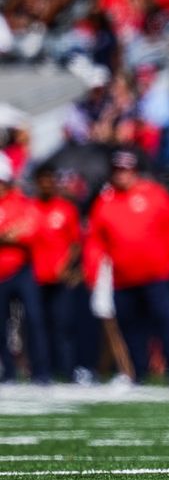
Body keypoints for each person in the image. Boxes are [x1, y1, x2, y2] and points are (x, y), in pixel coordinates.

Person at [83, 150, 169, 383]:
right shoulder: (105, 201)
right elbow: (96, 240)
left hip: (158, 274)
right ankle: (136, 373)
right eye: (117, 170)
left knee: (168, 323)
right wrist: (93, 272)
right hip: (123, 277)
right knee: (131, 328)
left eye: (126, 170)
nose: (122, 175)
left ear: (134, 171)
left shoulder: (154, 195)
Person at [31, 163, 82, 380]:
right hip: (34, 278)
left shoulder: (66, 208)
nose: (46, 184)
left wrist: (68, 265)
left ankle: (68, 370)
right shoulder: (29, 207)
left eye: (50, 179)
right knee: (37, 325)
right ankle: (42, 371)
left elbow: (76, 243)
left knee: (63, 324)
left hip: (59, 277)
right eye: (42, 180)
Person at [0, 153, 48, 383]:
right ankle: (7, 372)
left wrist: (8, 235)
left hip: (21, 269)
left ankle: (41, 372)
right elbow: (16, 231)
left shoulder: (21, 202)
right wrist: (9, 233)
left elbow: (31, 230)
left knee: (34, 320)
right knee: (1, 325)